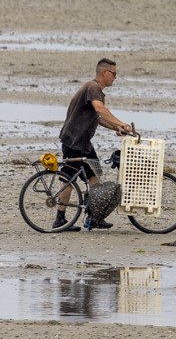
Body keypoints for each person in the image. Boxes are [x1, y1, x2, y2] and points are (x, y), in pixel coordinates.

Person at [54, 58, 135, 231]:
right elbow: (99, 109)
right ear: (105, 73)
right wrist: (121, 123)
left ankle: (93, 218)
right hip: (74, 141)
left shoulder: (96, 90)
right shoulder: (93, 87)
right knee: (68, 179)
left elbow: (97, 118)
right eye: (114, 74)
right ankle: (60, 219)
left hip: (83, 143)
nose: (115, 77)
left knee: (94, 175)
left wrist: (116, 127)